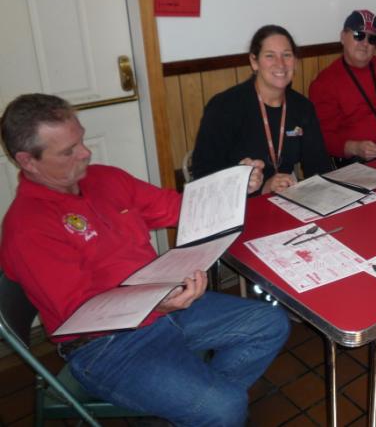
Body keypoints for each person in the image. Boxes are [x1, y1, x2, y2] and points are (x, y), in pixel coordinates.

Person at [0, 94, 290, 427]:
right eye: (69, 151)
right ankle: (203, 407)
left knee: (270, 323)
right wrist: (156, 304)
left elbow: (181, 208)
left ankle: (191, 408)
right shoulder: (28, 228)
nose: (86, 153)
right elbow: (82, 314)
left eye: (81, 139)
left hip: (162, 307)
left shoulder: (104, 179)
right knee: (226, 408)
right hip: (106, 345)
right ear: (28, 161)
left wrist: (236, 184)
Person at [193, 25, 331, 193]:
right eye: (270, 56)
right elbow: (202, 175)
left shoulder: (302, 107)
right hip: (239, 201)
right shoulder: (224, 107)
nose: (280, 64)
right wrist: (252, 185)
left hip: (288, 199)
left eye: (287, 55)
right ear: (254, 61)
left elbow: (318, 166)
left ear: (295, 61)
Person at [309, 10, 376, 164]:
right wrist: (354, 148)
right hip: (358, 162)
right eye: (359, 35)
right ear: (343, 37)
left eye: (372, 38)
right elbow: (323, 136)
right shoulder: (325, 83)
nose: (365, 43)